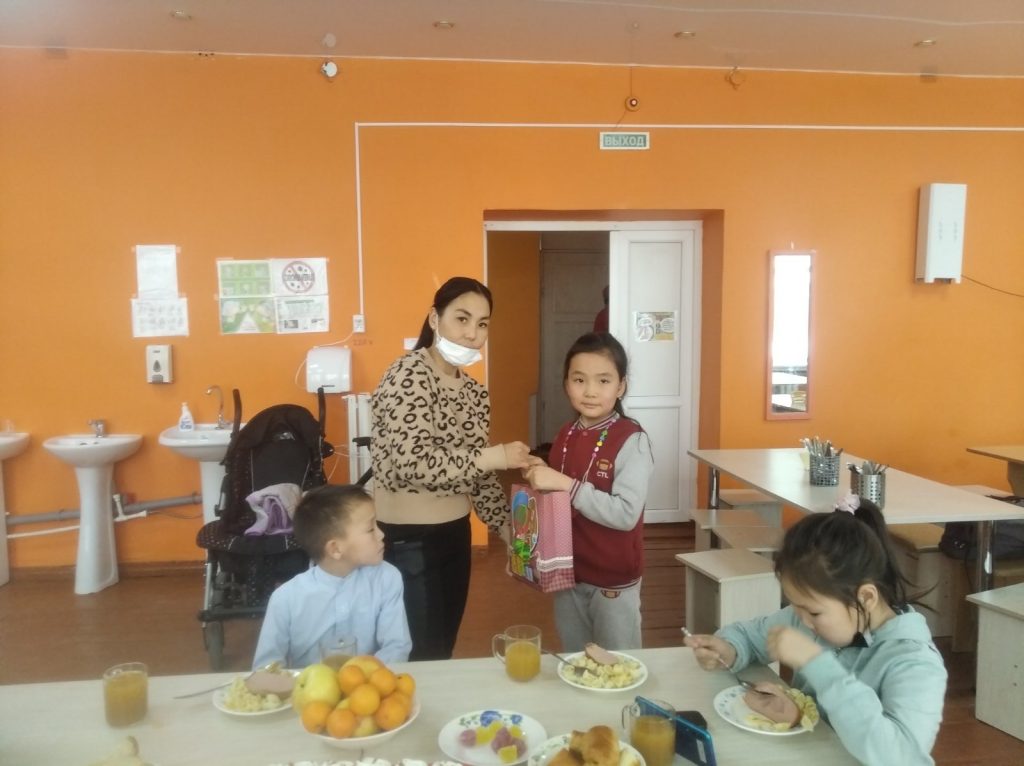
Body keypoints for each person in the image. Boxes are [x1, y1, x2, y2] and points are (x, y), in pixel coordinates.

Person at [683, 495, 947, 766]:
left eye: (813, 612)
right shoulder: (807, 617)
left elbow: (901, 757)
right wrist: (728, 649)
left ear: (866, 598)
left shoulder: (914, 663)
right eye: (796, 607)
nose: (803, 621)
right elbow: (750, 636)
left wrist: (818, 665)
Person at [371, 276, 538, 660]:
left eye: (482, 324)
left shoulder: (475, 393)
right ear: (435, 319)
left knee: (442, 646)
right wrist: (496, 456)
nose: (472, 334)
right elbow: (413, 463)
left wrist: (507, 530)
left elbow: (477, 474)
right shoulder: (409, 374)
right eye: (462, 319)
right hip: (408, 539)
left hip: (454, 533)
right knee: (418, 654)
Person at [522, 331, 654, 651]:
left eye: (604, 381)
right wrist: (538, 473)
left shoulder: (632, 439)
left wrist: (564, 484)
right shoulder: (566, 434)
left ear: (621, 386)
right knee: (577, 659)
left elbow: (625, 514)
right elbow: (557, 501)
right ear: (566, 384)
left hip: (613, 580)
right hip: (567, 574)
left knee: (618, 664)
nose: (591, 391)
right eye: (579, 380)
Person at [252, 484, 411, 669]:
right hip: (311, 687)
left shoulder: (387, 578)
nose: (381, 534)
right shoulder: (285, 599)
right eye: (370, 529)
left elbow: (396, 647)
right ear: (335, 549)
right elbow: (266, 667)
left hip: (368, 684)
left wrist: (362, 678)